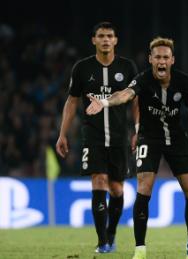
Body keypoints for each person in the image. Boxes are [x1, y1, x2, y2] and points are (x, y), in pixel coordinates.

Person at [85, 37, 188, 259]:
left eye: (165, 57)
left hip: (177, 138)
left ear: (172, 60)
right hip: (149, 138)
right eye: (157, 57)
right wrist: (104, 102)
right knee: (144, 187)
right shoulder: (142, 79)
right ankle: (140, 250)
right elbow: (125, 94)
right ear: (151, 59)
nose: (161, 61)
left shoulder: (183, 81)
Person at [55, 22, 138, 253]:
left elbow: (136, 101)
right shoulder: (82, 68)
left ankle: (111, 233)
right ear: (93, 40)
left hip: (120, 136)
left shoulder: (127, 66)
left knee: (117, 189)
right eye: (101, 36)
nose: (105, 40)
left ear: (115, 40)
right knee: (98, 181)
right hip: (93, 136)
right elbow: (72, 101)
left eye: (109, 36)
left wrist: (138, 129)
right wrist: (63, 133)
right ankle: (102, 242)